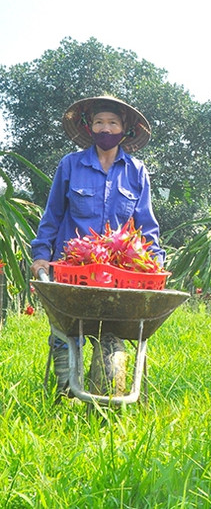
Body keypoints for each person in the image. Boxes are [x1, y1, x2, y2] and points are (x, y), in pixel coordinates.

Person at [30, 95, 164, 398]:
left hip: (119, 273)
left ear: (125, 129)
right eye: (99, 122)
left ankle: (113, 389)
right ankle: (66, 388)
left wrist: (155, 261)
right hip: (72, 268)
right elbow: (52, 215)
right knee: (66, 333)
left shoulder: (136, 172)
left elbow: (146, 224)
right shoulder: (70, 165)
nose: (106, 128)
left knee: (113, 328)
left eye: (112, 123)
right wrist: (41, 256)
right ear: (89, 127)